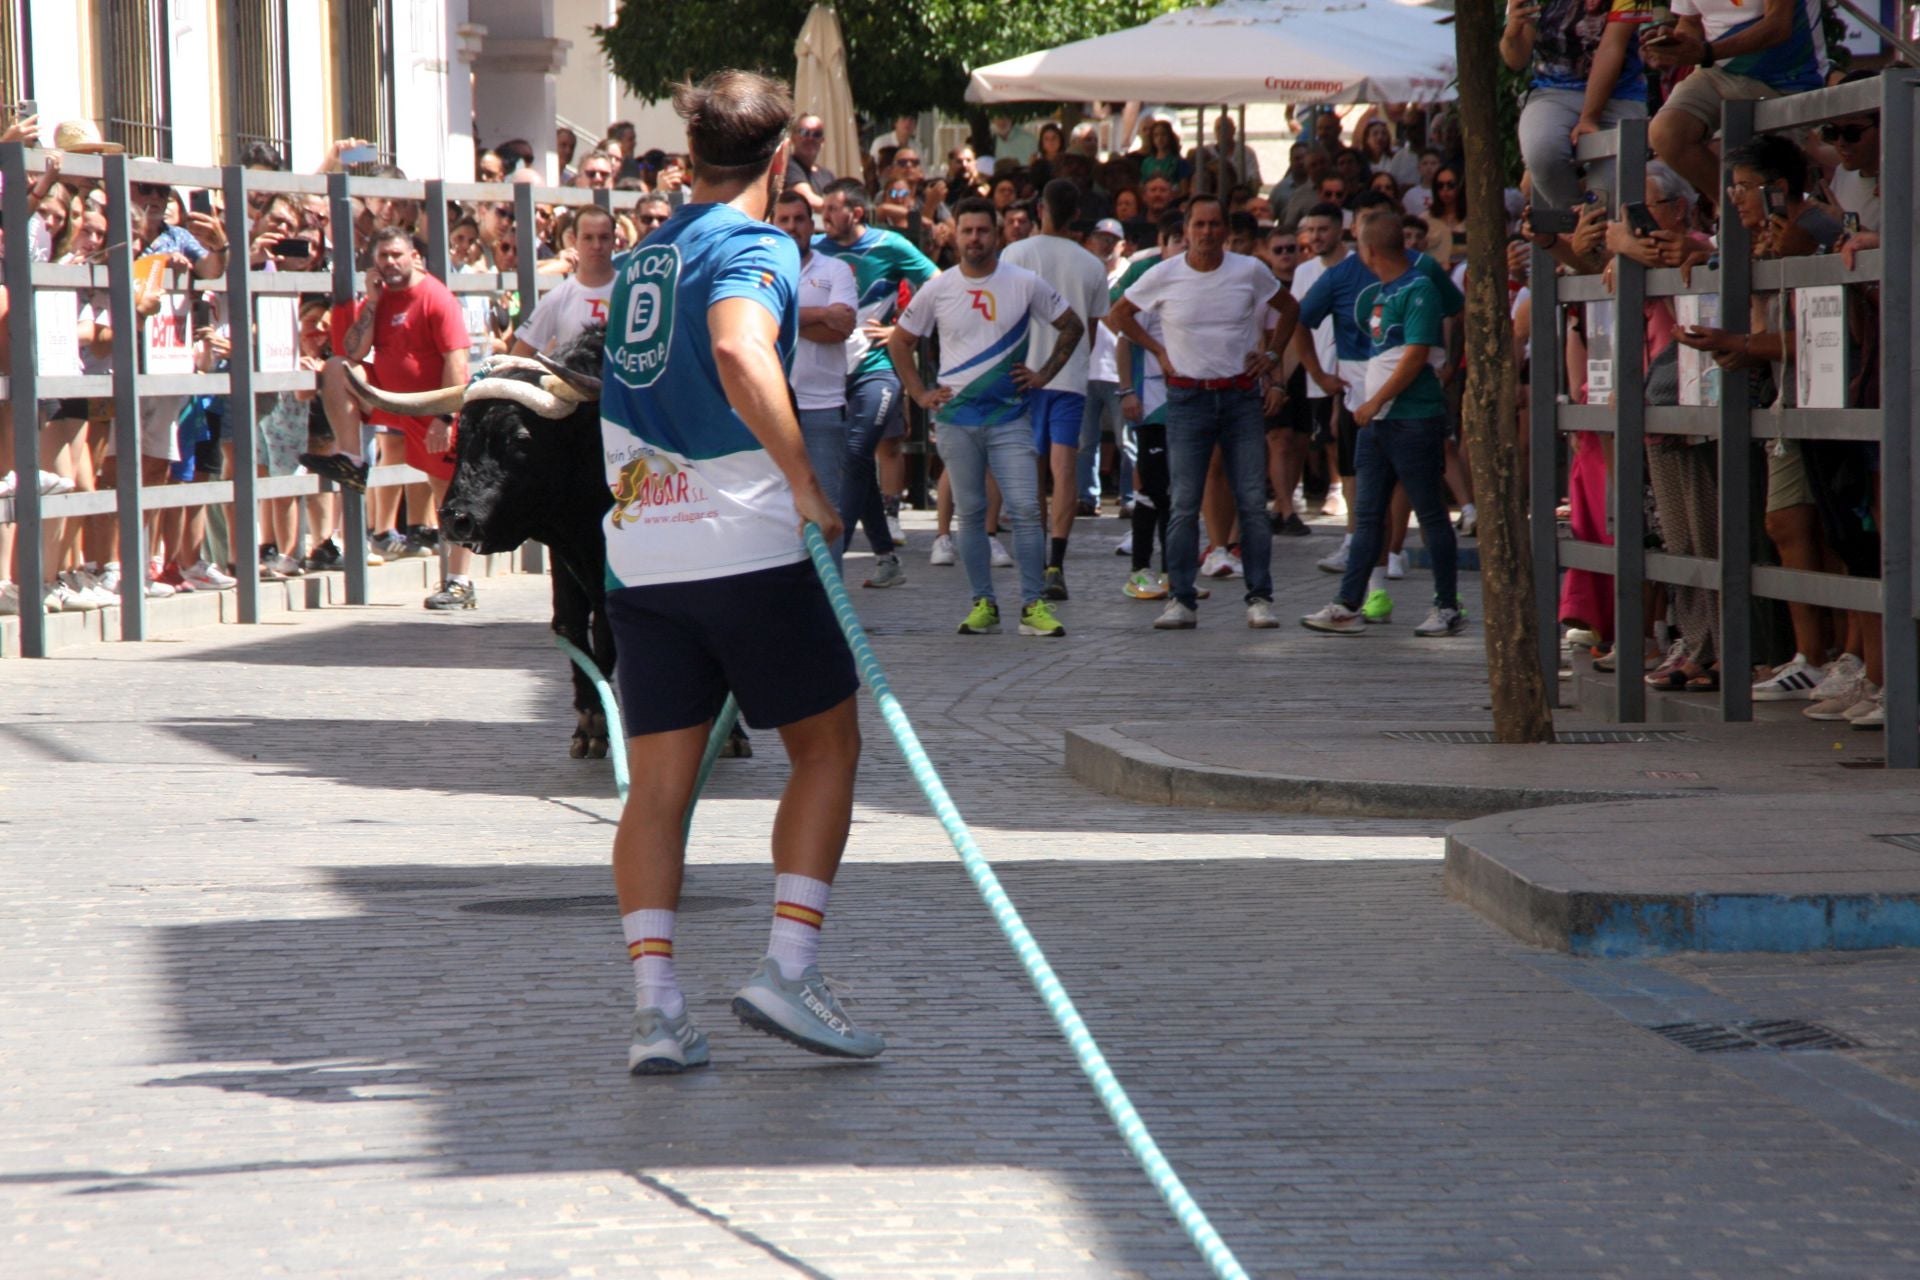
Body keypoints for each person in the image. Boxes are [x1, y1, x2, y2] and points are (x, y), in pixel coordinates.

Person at [601, 69, 875, 1074]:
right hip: (743, 539)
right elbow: (739, 349)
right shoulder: (756, 243)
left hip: (641, 547)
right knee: (828, 746)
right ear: (779, 159)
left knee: (661, 786)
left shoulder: (641, 256)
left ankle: (656, 1006)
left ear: (691, 158)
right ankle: (788, 965)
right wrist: (805, 480)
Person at [887, 197, 1082, 638]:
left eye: (983, 231)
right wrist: (919, 393)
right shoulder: (938, 287)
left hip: (1010, 418)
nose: (975, 239)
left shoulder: (1025, 282)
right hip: (956, 421)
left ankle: (1033, 606)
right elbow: (899, 343)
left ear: (998, 235)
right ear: (954, 236)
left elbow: (1073, 325)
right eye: (967, 231)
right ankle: (984, 604)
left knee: (1028, 511)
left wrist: (1043, 374)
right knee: (971, 515)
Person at [1106, 196, 1299, 631]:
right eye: (1200, 225)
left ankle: (1260, 597)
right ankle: (1181, 599)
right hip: (1188, 399)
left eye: (1215, 224)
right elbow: (1119, 315)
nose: (1208, 232)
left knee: (1251, 500)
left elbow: (1290, 310)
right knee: (1182, 503)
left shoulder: (1249, 270)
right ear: (1187, 229)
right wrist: (1157, 350)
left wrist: (1271, 356)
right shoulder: (1163, 273)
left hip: (1240, 396)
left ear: (1225, 230)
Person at [1302, 211, 1466, 638]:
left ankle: (1447, 606)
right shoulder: (1384, 292)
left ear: (1369, 249)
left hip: (1411, 419)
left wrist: (1375, 399)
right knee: (1368, 513)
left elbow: (1414, 354)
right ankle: (1348, 602)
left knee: (1430, 512)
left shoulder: (1419, 290)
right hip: (1379, 421)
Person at [313, 225, 478, 609]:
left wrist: (445, 418)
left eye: (397, 255)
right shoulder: (381, 297)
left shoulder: (437, 297)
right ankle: (353, 460)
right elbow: (351, 350)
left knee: (450, 493)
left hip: (431, 405)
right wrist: (370, 303)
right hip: (388, 396)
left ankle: (459, 581)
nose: (390, 263)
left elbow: (458, 361)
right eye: (383, 257)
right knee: (337, 369)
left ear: (414, 257)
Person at [812, 179, 938, 587]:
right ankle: (887, 558)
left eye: (832, 208)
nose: (824, 217)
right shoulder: (814, 250)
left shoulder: (890, 246)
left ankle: (833, 557)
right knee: (860, 460)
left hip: (878, 371)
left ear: (857, 213)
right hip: (832, 376)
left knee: (854, 452)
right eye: (823, 209)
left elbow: (938, 285)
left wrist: (903, 327)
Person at [1003, 180, 1110, 600]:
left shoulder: (1016, 253)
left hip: (1022, 376)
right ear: (1075, 214)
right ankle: (1055, 565)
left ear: (1041, 208)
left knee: (1030, 474)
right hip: (1069, 379)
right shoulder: (1092, 264)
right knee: (1064, 473)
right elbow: (1093, 331)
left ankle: (1033, 559)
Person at [1642, 0, 1828, 206]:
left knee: (1773, 181)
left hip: (1785, 79)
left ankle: (1764, 221)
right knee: (1667, 133)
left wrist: (1706, 52)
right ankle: (1734, 214)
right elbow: (1690, 21)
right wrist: (1678, 45)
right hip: (1715, 71)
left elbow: (1778, 26)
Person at [773, 188, 857, 567]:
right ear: (773, 225)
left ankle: (828, 607)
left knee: (826, 509)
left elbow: (841, 327)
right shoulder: (762, 269)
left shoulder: (835, 269)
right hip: (772, 411)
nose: (792, 227)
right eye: (784, 220)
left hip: (823, 406)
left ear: (813, 224)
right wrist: (818, 315)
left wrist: (781, 316)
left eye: (799, 219)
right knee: (775, 512)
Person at [1501, 0, 1650, 212]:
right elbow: (1515, 61)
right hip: (1552, 93)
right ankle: (1578, 225)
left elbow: (1612, 48)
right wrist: (1511, 31)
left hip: (1620, 95)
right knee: (1542, 152)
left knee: (1607, 200)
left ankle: (1591, 225)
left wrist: (1589, 117)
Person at [510, 205, 617, 356]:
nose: (597, 246)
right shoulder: (556, 298)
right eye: (588, 238)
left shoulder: (631, 289)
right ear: (574, 240)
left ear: (614, 240)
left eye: (604, 237)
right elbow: (519, 355)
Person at [784, 114, 837, 211]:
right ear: (793, 138)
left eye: (816, 134)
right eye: (804, 132)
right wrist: (838, 208)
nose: (810, 138)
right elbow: (808, 199)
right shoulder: (788, 165)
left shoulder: (828, 175)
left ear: (822, 141)